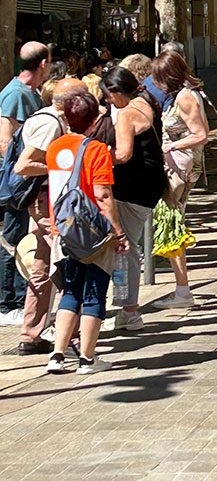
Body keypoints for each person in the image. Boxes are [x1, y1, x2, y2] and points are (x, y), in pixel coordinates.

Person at [44, 89, 129, 375]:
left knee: (70, 291)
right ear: (93, 120)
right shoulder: (97, 150)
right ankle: (87, 359)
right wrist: (119, 233)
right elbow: (103, 195)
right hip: (93, 235)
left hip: (62, 230)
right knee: (94, 292)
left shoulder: (54, 148)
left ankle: (57, 355)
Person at [10, 78, 83, 354]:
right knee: (68, 264)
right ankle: (71, 338)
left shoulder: (48, 118)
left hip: (45, 200)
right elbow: (24, 165)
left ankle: (31, 335)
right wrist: (61, 167)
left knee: (41, 267)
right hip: (48, 202)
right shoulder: (50, 123)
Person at [104, 65, 167, 330]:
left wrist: (96, 155)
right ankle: (127, 309)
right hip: (149, 185)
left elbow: (123, 155)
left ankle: (130, 311)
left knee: (126, 246)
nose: (108, 101)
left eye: (108, 96)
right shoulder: (145, 102)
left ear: (116, 91)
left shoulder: (127, 113)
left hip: (133, 187)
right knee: (127, 245)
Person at [150, 49, 210, 309]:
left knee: (172, 223)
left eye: (158, 77)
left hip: (180, 168)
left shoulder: (185, 97)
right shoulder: (181, 95)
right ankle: (182, 289)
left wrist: (170, 146)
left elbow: (201, 134)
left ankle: (183, 291)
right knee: (172, 223)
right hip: (180, 166)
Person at [0, 41, 51, 323]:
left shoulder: (31, 93)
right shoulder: (14, 95)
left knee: (23, 238)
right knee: (13, 240)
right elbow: (4, 140)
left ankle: (20, 299)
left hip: (26, 181)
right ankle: (8, 304)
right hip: (17, 183)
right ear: (43, 64)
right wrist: (20, 177)